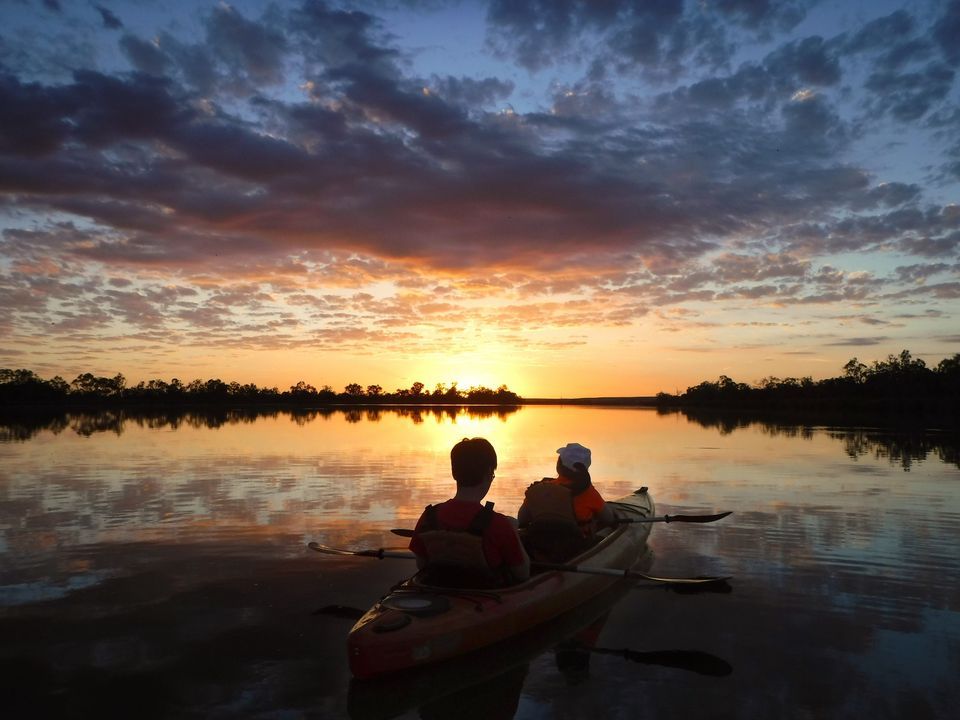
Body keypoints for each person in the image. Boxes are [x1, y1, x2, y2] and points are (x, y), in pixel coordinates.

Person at [409, 437, 530, 588]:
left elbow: (421, 564)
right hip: (485, 595)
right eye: (492, 475)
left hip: (438, 589)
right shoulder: (499, 523)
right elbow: (523, 573)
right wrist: (513, 531)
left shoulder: (429, 516)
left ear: (454, 474)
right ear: (488, 475)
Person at [517, 442, 616, 562]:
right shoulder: (588, 493)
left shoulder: (539, 490)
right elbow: (609, 519)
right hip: (574, 550)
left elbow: (521, 519)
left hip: (539, 548)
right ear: (585, 469)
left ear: (559, 466)